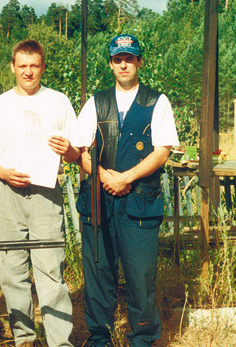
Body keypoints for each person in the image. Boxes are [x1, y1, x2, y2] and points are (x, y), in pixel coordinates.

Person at [0, 40, 80, 347]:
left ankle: (60, 342)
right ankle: (24, 339)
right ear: (13, 67)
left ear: (42, 67)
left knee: (50, 270)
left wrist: (68, 150)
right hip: (7, 194)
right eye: (23, 66)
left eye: (34, 65)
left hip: (46, 194)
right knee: (11, 271)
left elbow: (74, 154)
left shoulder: (59, 102)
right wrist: (2, 172)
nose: (28, 72)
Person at [76, 34, 179, 347]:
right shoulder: (96, 102)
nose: (123, 64)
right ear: (111, 63)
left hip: (139, 204)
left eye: (129, 58)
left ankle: (142, 339)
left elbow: (162, 151)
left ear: (139, 62)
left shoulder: (156, 101)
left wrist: (127, 178)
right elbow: (80, 150)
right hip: (98, 202)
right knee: (98, 276)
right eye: (117, 59)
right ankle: (99, 339)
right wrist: (106, 176)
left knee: (140, 276)